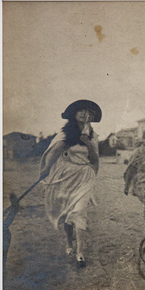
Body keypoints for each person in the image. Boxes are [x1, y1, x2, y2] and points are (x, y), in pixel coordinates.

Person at [39, 99, 101, 268]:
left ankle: (80, 253)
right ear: (74, 114)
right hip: (67, 176)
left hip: (84, 176)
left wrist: (88, 142)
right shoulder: (66, 134)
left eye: (88, 112)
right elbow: (55, 152)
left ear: (91, 117)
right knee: (67, 213)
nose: (84, 113)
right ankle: (69, 242)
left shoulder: (93, 136)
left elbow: (95, 159)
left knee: (79, 212)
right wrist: (45, 169)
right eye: (81, 111)